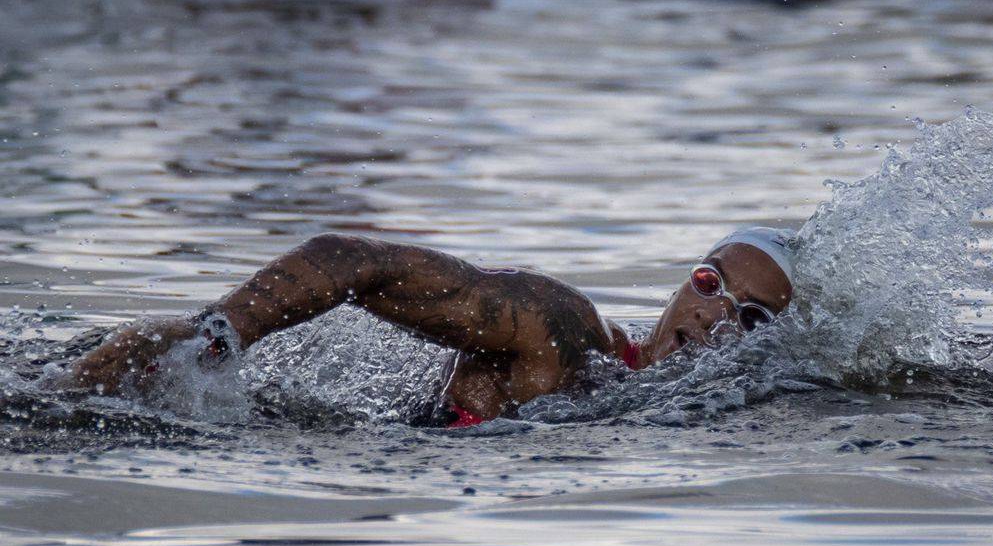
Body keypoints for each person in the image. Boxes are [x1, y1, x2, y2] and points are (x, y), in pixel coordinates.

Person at [63, 227, 795, 427]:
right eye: (710, 283)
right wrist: (221, 340)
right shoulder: (564, 329)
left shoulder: (676, 416)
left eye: (752, 318)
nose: (715, 317)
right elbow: (352, 257)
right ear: (684, 280)